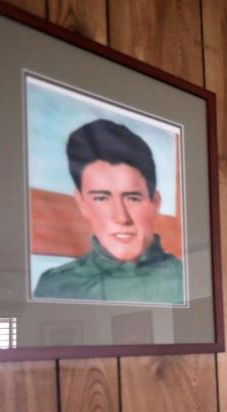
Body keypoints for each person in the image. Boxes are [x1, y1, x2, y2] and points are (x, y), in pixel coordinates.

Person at [33, 119, 184, 304]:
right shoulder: (55, 286)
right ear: (82, 203)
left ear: (155, 202)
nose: (121, 217)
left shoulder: (187, 280)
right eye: (101, 198)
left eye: (132, 199)